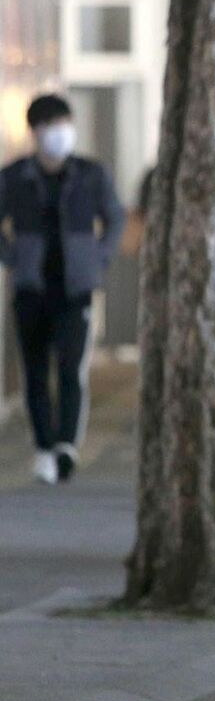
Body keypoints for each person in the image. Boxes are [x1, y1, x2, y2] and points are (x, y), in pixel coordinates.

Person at [0, 94, 124, 483]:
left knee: (70, 368)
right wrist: (12, 257)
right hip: (31, 288)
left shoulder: (90, 174)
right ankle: (44, 447)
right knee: (35, 372)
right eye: (51, 126)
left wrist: (99, 257)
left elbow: (115, 217)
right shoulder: (14, 177)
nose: (60, 133)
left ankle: (66, 446)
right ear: (35, 132)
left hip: (75, 288)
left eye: (63, 124)